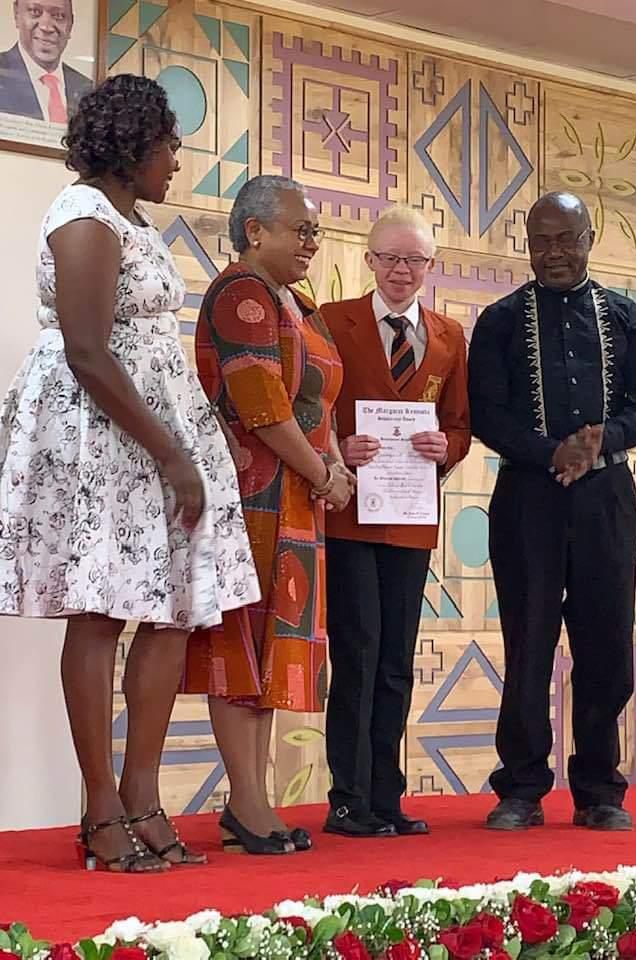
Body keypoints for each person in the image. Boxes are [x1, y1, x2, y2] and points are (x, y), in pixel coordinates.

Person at [0, 74, 260, 872]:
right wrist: (172, 452)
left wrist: (197, 436)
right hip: (105, 440)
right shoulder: (82, 217)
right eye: (170, 144)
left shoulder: (133, 218)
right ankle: (99, 806)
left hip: (159, 436)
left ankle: (143, 795)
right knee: (102, 613)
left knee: (174, 611)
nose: (177, 160)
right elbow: (86, 351)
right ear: (132, 144)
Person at [468, 191, 636, 832]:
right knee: (527, 640)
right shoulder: (499, 321)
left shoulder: (627, 318)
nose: (553, 252)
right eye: (541, 240)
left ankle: (600, 791)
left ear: (590, 236)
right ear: (528, 244)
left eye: (565, 238)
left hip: (606, 497)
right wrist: (551, 450)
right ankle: (521, 788)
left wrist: (598, 441)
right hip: (528, 496)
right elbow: (487, 412)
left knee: (604, 640)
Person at [184, 175, 354, 855]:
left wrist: (335, 464)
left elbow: (322, 398)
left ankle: (251, 803)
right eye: (300, 229)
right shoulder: (240, 293)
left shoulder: (300, 303)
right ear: (254, 231)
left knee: (268, 648)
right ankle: (249, 805)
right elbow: (261, 404)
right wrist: (322, 473)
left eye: (315, 231)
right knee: (241, 644)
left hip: (296, 495)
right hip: (252, 495)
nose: (312, 241)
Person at [320, 207, 471, 838]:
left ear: (429, 267)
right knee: (356, 653)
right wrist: (337, 448)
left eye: (414, 260)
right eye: (390, 258)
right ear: (369, 260)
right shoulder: (332, 322)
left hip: (412, 520)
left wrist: (447, 450)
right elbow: (314, 408)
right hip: (351, 514)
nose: (402, 270)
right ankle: (347, 798)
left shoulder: (447, 335)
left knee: (396, 663)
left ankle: (388, 795)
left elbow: (459, 425)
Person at [0, 0, 92, 122]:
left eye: (58, 15)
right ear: (17, 15)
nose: (46, 27)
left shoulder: (89, 90)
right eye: (35, 12)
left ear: (70, 25)